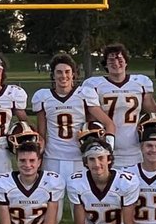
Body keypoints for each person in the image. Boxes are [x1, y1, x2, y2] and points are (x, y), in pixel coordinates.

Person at [31, 53, 114, 181]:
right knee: (52, 198)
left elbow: (109, 124)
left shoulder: (84, 94)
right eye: (59, 72)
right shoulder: (43, 96)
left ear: (73, 74)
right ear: (53, 74)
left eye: (67, 72)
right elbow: (41, 134)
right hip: (53, 157)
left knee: (80, 198)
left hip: (79, 156)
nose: (63, 76)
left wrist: (107, 150)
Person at [83, 43, 156, 169]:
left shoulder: (139, 83)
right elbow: (90, 117)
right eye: (111, 60)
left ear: (126, 62)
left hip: (135, 148)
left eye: (119, 59)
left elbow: (152, 110)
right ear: (105, 64)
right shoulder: (94, 85)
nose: (116, 63)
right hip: (106, 148)